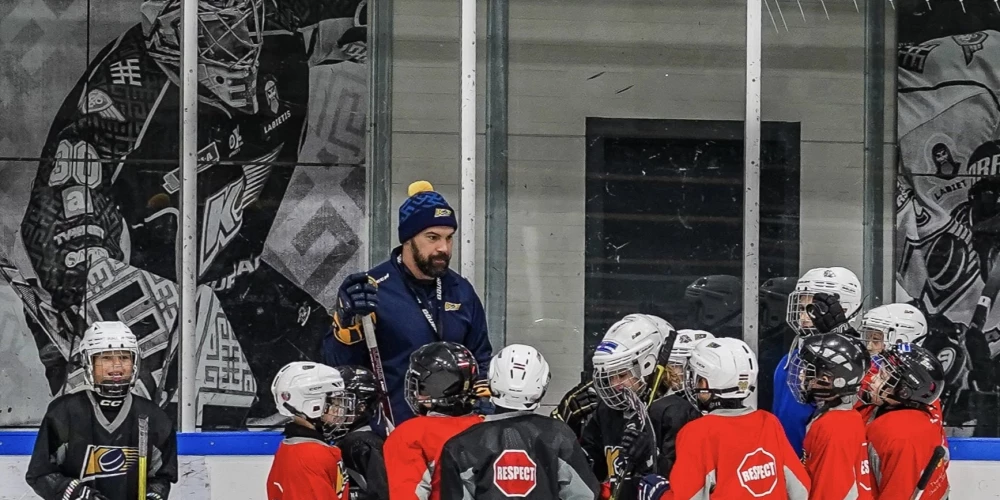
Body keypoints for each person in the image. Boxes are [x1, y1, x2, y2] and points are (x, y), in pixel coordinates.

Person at [19, 0, 368, 426]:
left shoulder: (270, 40)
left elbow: (323, 24)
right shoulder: (125, 89)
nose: (246, 42)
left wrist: (362, 23)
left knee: (334, 386)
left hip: (235, 279)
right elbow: (62, 214)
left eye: (248, 24)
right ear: (175, 30)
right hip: (171, 301)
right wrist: (92, 285)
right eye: (225, 30)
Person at [326, 181, 492, 425]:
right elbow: (339, 369)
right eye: (432, 237)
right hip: (392, 435)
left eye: (449, 238)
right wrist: (345, 324)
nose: (443, 248)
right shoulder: (372, 290)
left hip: (453, 439)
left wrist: (483, 410)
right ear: (408, 239)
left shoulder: (462, 292)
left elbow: (482, 359)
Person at [638, 337, 810, 500]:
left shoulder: (697, 432)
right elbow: (801, 489)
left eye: (697, 379)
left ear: (705, 384)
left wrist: (659, 493)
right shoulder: (769, 423)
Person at [25, 321, 177, 500]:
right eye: (106, 358)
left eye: (124, 357)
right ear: (88, 362)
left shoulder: (153, 417)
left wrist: (153, 495)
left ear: (135, 362)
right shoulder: (64, 413)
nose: (117, 367)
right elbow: (41, 474)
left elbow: (162, 477)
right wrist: (79, 495)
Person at [437, 344, 600, 499]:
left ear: (492, 380)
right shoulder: (558, 435)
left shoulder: (461, 445)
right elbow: (586, 494)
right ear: (542, 384)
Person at [581, 313, 677, 500]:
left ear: (648, 365)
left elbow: (686, 484)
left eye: (622, 375)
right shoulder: (607, 410)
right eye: (610, 376)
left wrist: (651, 458)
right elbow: (593, 469)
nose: (615, 385)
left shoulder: (674, 412)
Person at [774, 266, 862, 456]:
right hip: (786, 466)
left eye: (813, 309)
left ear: (844, 309)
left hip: (816, 464)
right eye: (801, 308)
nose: (803, 317)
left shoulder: (852, 365)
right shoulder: (788, 360)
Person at [383, 342, 484, 500]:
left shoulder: (410, 434)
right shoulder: (487, 426)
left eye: (421, 385)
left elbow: (409, 496)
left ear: (433, 388)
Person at [788, 333, 872, 500]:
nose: (801, 376)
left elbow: (832, 492)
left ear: (827, 380)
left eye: (809, 370)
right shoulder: (845, 416)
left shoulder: (833, 428)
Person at [864, 344, 949, 499]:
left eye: (883, 376)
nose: (874, 378)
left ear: (903, 391)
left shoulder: (895, 433)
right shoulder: (928, 413)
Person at [266, 361, 352, 500]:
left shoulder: (297, 448)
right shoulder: (308, 457)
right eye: (335, 402)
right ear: (314, 405)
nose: (340, 409)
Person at [856, 303, 942, 426]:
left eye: (876, 339)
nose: (869, 346)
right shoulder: (874, 372)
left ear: (901, 338)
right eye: (868, 338)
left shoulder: (921, 386)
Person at [646, 329, 711, 477]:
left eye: (677, 366)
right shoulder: (670, 407)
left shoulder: (678, 410)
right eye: (671, 365)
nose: (671, 373)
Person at [334, 365, 390, 500]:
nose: (332, 409)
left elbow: (381, 495)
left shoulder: (361, 444)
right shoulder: (352, 440)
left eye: (339, 402)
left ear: (360, 407)